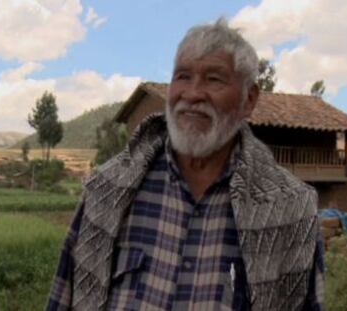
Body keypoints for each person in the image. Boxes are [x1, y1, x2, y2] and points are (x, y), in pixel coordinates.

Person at [46, 17, 324, 311]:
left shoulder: (291, 208)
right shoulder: (108, 189)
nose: (192, 94)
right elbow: (64, 294)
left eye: (213, 79)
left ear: (249, 99)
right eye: (182, 76)